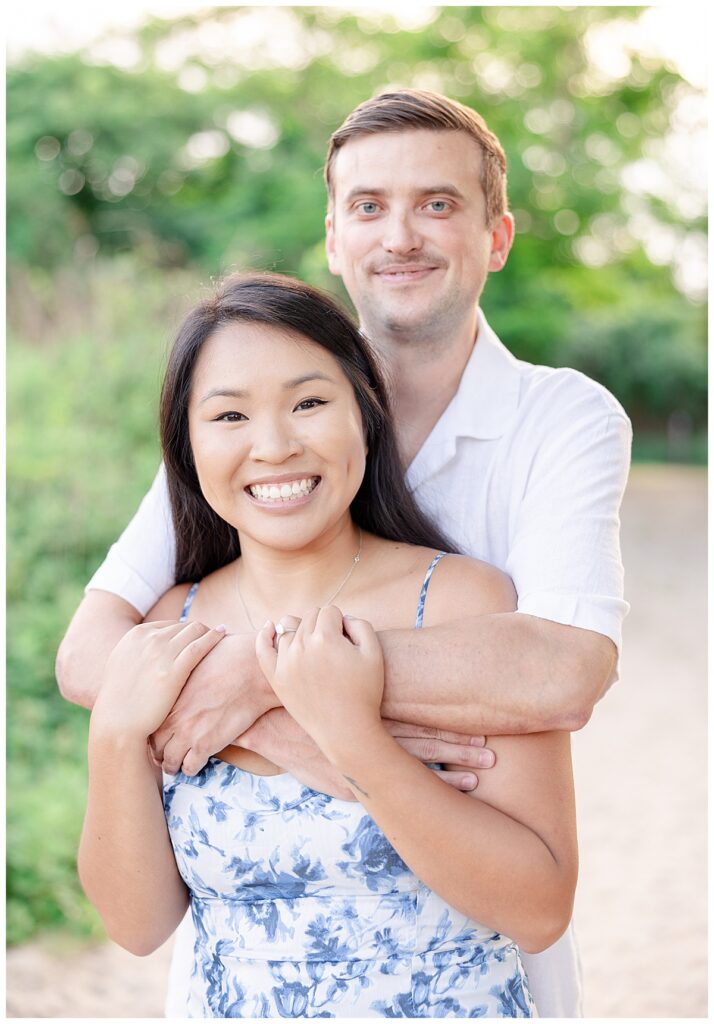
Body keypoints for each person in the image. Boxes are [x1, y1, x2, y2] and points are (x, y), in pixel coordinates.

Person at [58, 89, 631, 1017]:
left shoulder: (559, 422)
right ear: (333, 235)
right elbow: (92, 653)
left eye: (438, 203)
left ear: (498, 237)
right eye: (369, 206)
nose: (400, 234)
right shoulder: (261, 394)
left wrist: (268, 672)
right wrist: (295, 713)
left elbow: (563, 669)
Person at [78, 272, 577, 1017]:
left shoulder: (461, 603)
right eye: (229, 416)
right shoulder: (165, 627)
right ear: (185, 444)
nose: (274, 446)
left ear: (365, 416)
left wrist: (352, 736)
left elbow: (539, 910)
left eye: (310, 403)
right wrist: (115, 734)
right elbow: (136, 926)